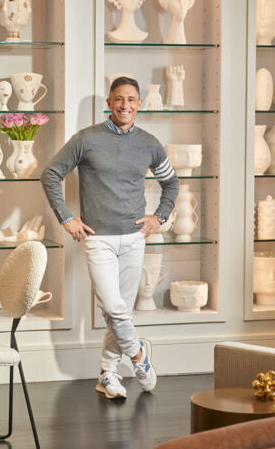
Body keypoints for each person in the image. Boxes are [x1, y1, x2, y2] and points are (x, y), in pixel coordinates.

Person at [41, 77, 178, 399]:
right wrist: (66, 217)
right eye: (119, 99)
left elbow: (171, 184)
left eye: (131, 99)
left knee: (121, 313)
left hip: (134, 238)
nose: (125, 105)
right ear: (109, 102)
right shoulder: (86, 139)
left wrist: (159, 216)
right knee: (114, 309)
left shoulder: (149, 143)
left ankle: (108, 374)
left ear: (139, 103)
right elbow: (50, 174)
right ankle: (139, 356)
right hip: (98, 238)